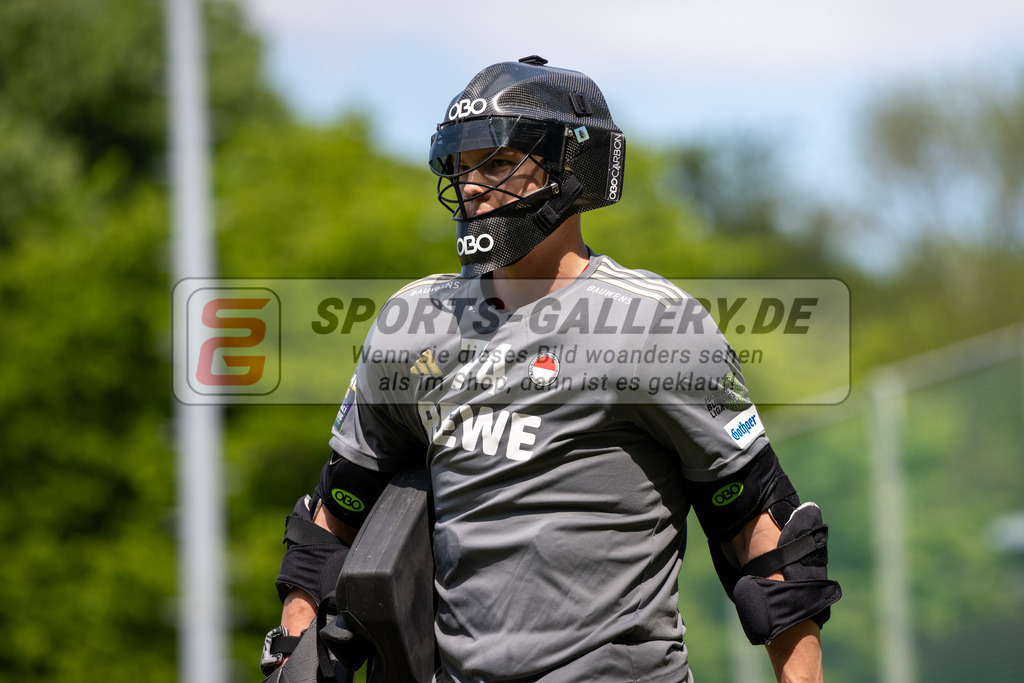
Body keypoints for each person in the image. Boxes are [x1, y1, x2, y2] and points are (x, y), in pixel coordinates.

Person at [266, 56, 841, 682]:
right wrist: (297, 647)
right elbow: (336, 511)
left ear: (574, 168)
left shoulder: (653, 325)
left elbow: (759, 524)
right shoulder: (415, 323)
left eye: (499, 163)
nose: (474, 185)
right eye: (461, 167)